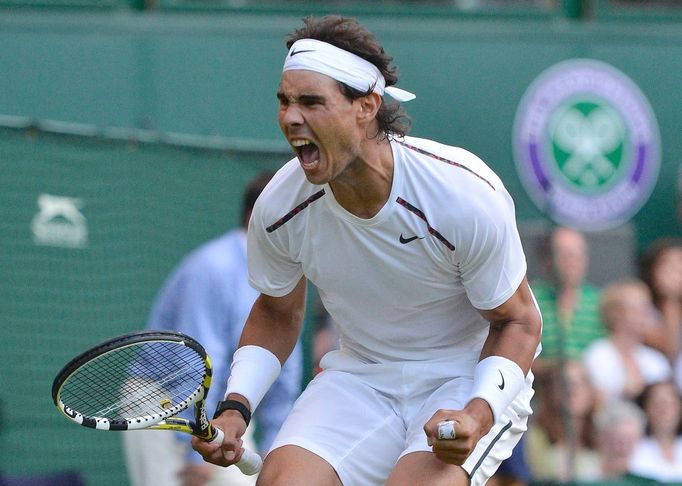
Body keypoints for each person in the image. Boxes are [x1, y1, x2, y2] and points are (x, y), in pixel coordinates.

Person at [192, 15, 542, 486]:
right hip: (359, 378)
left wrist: (478, 414)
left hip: (465, 376)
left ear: (367, 107)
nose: (292, 117)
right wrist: (236, 408)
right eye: (285, 102)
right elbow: (276, 312)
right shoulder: (279, 206)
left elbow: (518, 320)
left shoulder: (461, 194)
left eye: (312, 102)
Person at [123, 172, 303, 486]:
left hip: (224, 408)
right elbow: (195, 363)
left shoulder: (290, 274)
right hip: (162, 398)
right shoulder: (213, 267)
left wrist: (274, 454)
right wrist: (197, 454)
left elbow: (282, 376)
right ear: (258, 215)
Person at [582, 279, 671, 401]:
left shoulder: (656, 360)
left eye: (647, 307)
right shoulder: (597, 355)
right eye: (636, 309)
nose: (645, 314)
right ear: (615, 314)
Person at [531, 226, 603, 372]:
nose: (573, 261)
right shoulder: (529, 298)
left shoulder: (601, 301)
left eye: (578, 254)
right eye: (564, 254)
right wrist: (553, 369)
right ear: (546, 260)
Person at [639, 237, 682, 362]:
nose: (677, 272)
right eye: (670, 266)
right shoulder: (641, 304)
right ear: (653, 270)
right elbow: (670, 348)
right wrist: (670, 298)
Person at [630, 380, 682, 482]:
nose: (664, 410)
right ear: (645, 408)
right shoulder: (633, 447)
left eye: (670, 403)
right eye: (657, 404)